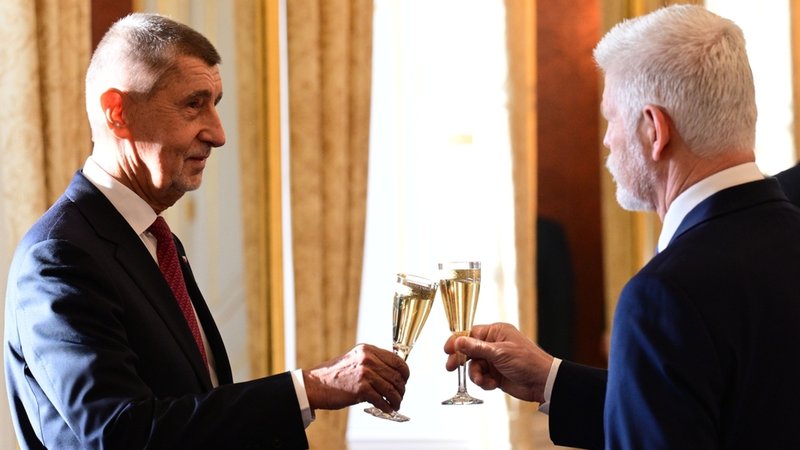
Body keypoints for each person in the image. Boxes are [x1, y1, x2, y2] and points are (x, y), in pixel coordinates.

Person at [4, 13, 408, 450]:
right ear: (117, 113)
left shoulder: (158, 242)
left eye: (216, 102)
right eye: (194, 104)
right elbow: (121, 432)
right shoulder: (59, 255)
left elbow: (195, 409)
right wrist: (307, 389)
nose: (218, 134)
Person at [445, 4, 800, 449]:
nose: (607, 139)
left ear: (654, 129)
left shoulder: (663, 296)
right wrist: (550, 380)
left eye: (610, 117)